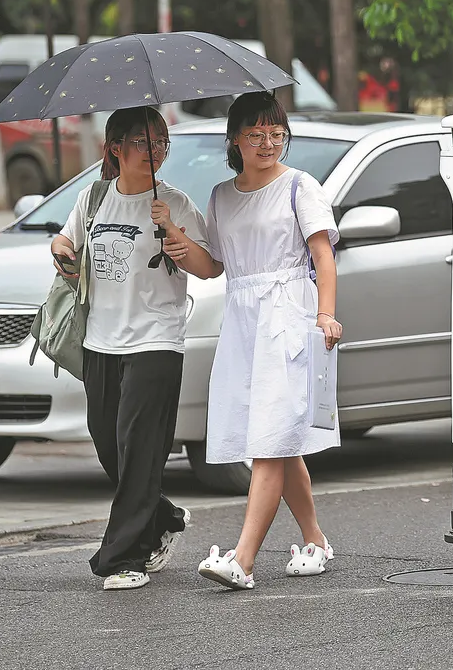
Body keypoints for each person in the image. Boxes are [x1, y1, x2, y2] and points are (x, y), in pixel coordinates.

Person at [160, 91, 343, 591]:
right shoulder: (221, 196)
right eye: (256, 134)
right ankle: (316, 541)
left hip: (288, 315)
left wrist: (326, 315)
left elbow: (323, 257)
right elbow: (213, 265)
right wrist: (177, 240)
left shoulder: (299, 187)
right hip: (243, 320)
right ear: (234, 140)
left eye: (276, 133)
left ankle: (242, 559)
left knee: (268, 439)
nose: (268, 143)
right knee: (281, 442)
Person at [49, 106, 207, 591]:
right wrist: (60, 250)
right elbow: (66, 240)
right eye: (142, 142)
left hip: (156, 340)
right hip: (100, 339)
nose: (154, 151)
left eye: (161, 142)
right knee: (108, 442)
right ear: (114, 149)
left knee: (138, 447)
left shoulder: (175, 204)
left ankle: (123, 557)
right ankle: (163, 517)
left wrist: (175, 235)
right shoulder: (94, 197)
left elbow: (208, 267)